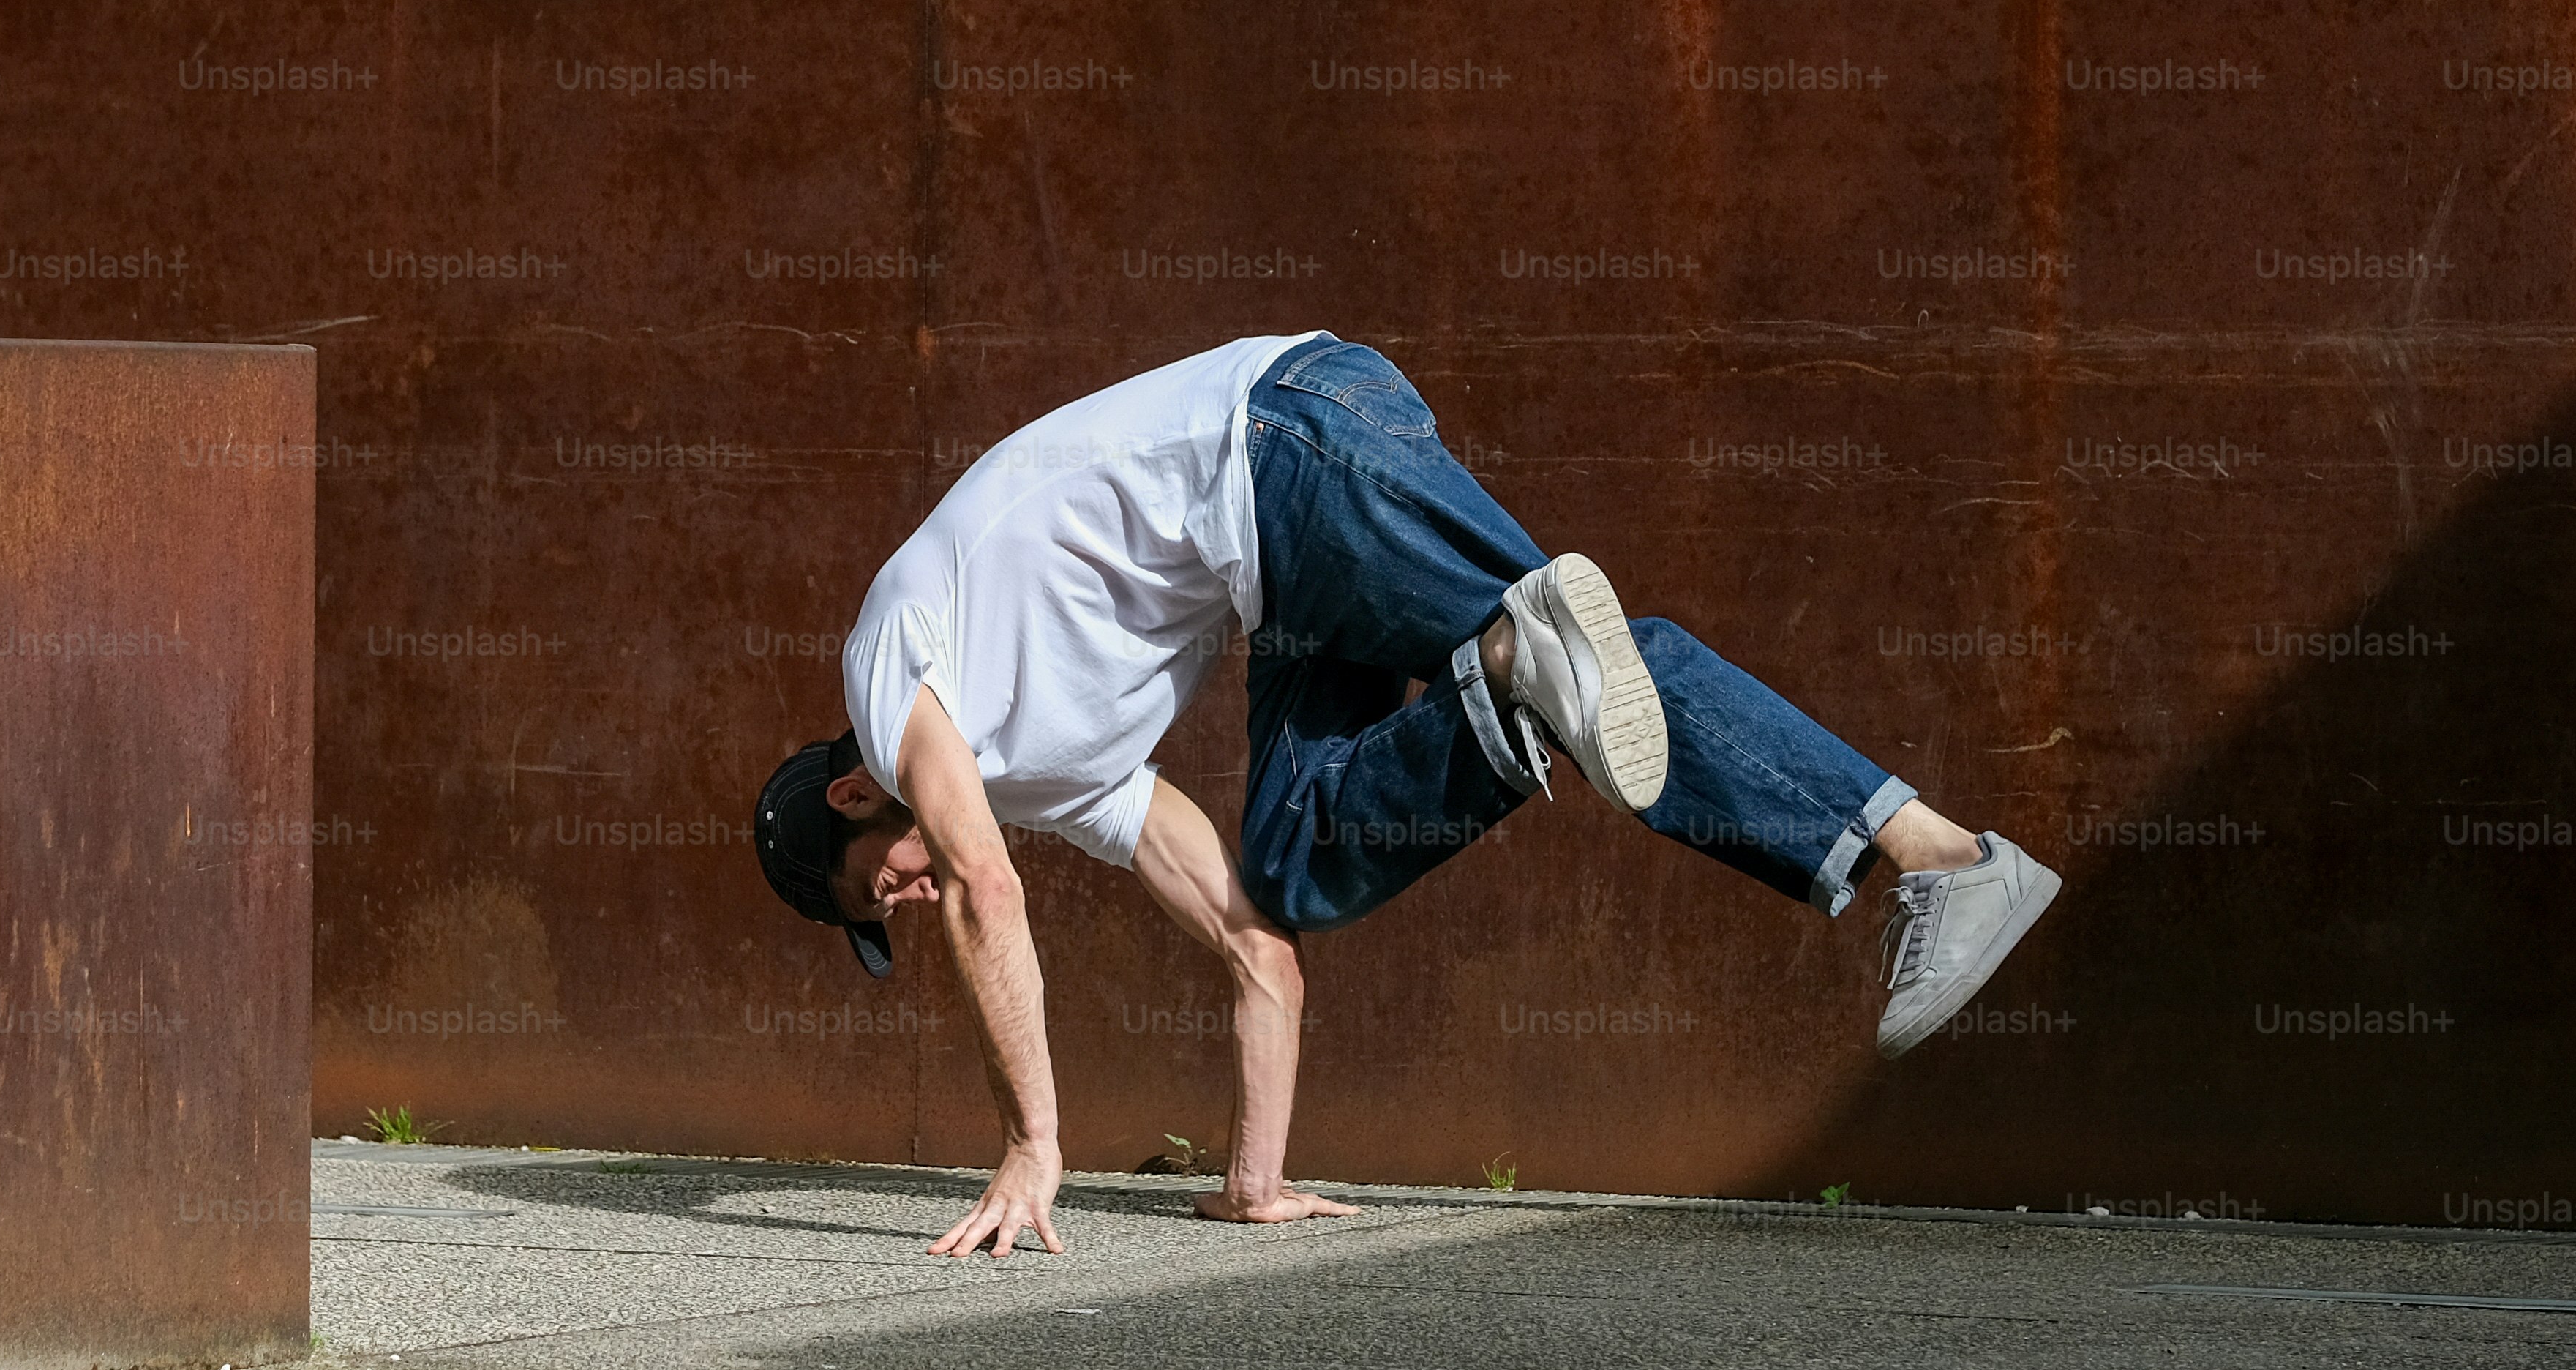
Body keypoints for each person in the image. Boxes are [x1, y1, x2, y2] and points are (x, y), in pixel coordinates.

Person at [750, 333, 2059, 1259]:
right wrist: (1249, 1181)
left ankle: (1943, 854)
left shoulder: (888, 671)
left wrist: (1034, 1145)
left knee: (1605, 671)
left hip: (1283, 443)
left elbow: (986, 885)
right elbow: (1256, 948)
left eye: (885, 882)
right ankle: (1513, 672)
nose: (914, 898)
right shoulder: (1048, 776)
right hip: (1286, 547)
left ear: (858, 790)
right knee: (1297, 857)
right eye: (895, 918)